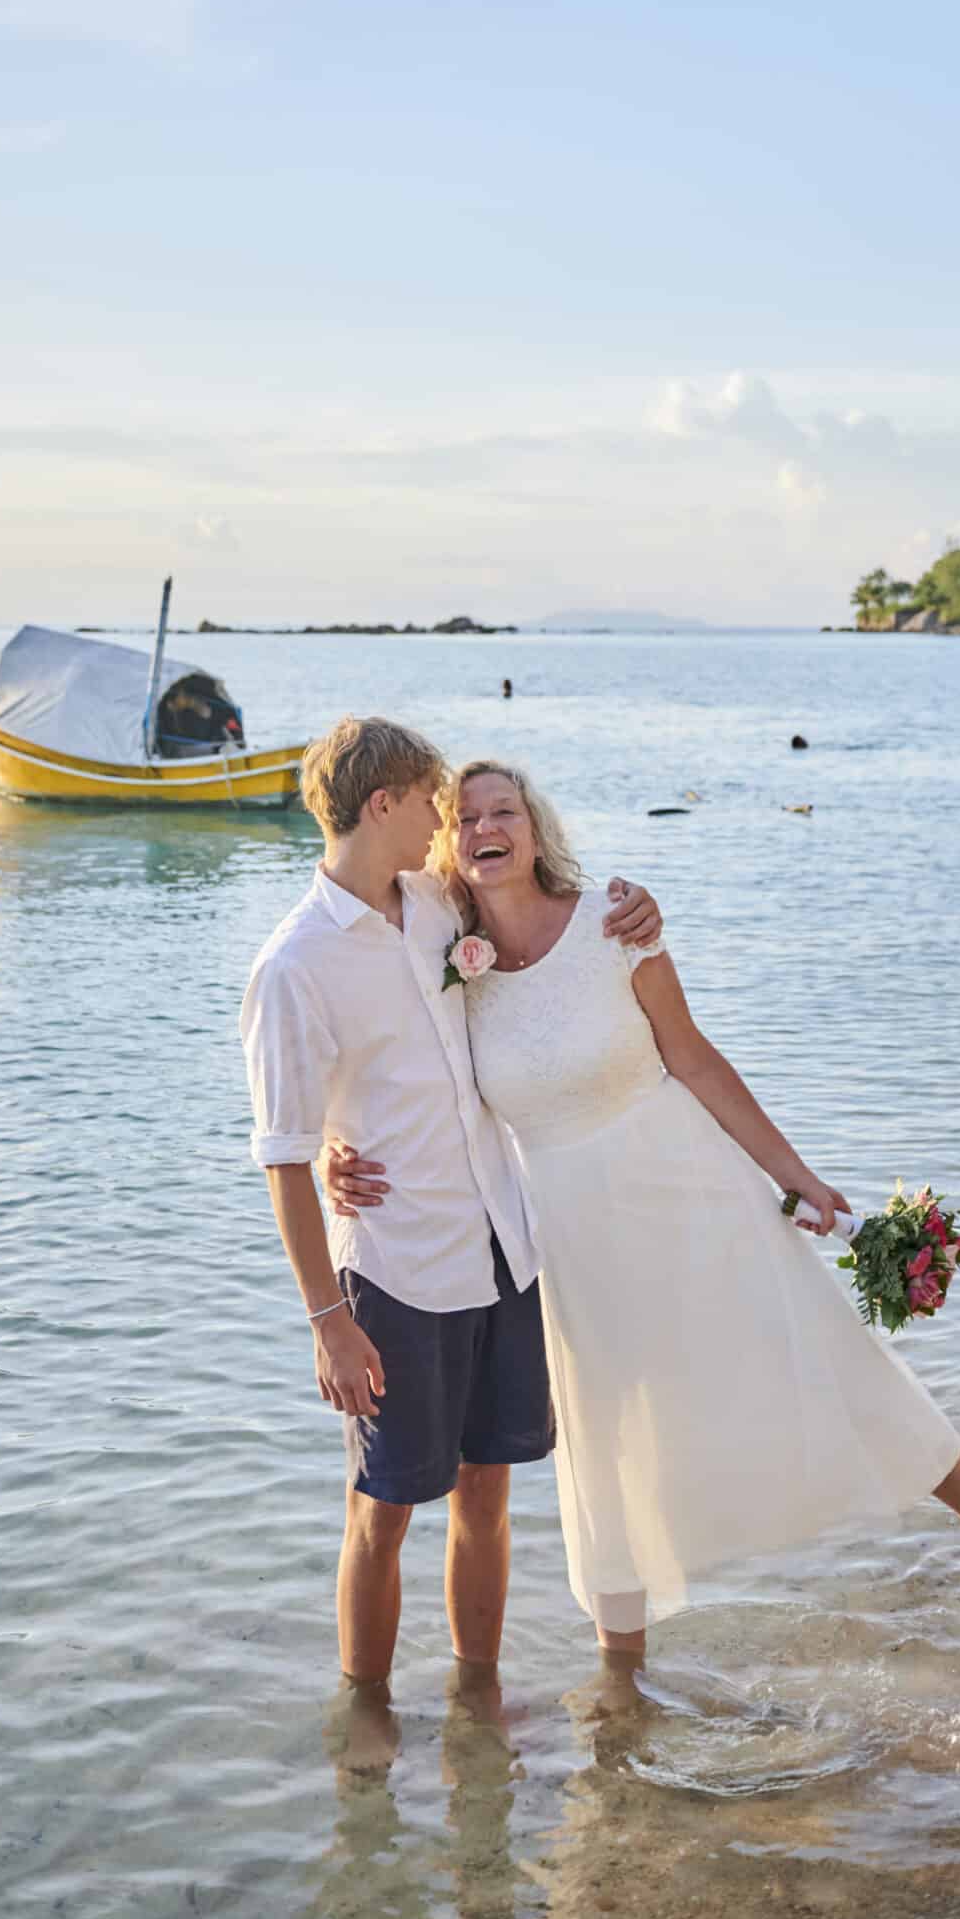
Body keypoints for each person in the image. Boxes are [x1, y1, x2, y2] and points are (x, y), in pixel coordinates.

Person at [324, 759, 960, 1675]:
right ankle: (623, 1691)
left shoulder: (614, 926)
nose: (486, 826)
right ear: (448, 845)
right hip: (570, 1243)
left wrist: (798, 1177)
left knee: (843, 1368)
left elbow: (694, 1060)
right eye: (465, 817)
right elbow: (384, 1051)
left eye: (506, 811)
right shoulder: (446, 956)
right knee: (610, 1459)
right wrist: (336, 1146)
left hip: (690, 1188)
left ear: (535, 830)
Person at [239, 718, 663, 1689]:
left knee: (487, 1492)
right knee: (380, 1510)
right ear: (382, 804)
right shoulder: (293, 964)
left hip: (502, 1248)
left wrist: (630, 904)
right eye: (430, 799)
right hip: (396, 1268)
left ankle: (479, 1696)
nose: (444, 817)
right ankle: (368, 1716)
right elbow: (283, 1154)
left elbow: (538, 910)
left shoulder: (436, 907)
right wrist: (327, 1322)